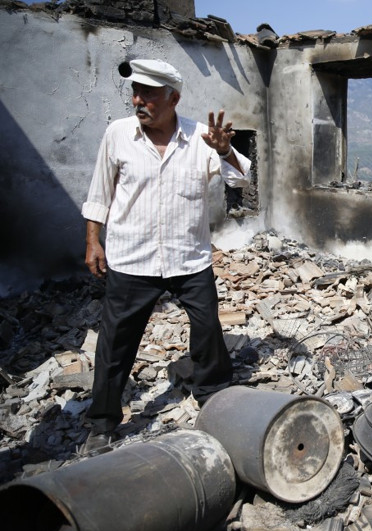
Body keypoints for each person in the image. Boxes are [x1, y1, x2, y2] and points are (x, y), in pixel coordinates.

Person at [81, 59, 251, 451]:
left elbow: (239, 178)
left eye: (150, 94)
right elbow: (99, 193)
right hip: (132, 260)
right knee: (115, 343)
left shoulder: (200, 138)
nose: (139, 100)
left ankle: (214, 399)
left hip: (188, 259)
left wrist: (226, 151)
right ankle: (103, 422)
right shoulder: (118, 134)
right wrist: (93, 240)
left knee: (208, 330)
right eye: (135, 92)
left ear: (174, 97)